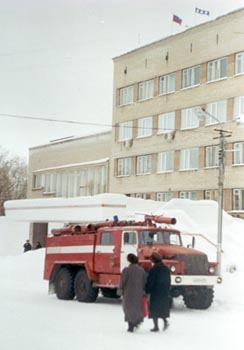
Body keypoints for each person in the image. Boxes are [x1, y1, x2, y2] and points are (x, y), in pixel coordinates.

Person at [119, 253, 147, 332]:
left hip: (128, 292)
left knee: (128, 308)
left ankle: (130, 325)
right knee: (137, 308)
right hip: (138, 292)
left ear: (129, 260)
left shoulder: (126, 270)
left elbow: (122, 281)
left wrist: (120, 290)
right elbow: (144, 281)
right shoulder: (142, 270)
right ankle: (136, 322)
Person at [145, 252, 171, 332]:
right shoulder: (166, 269)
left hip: (155, 291)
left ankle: (156, 326)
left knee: (153, 309)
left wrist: (147, 289)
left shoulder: (153, 270)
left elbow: (150, 281)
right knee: (162, 308)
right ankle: (165, 321)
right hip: (164, 291)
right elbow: (169, 280)